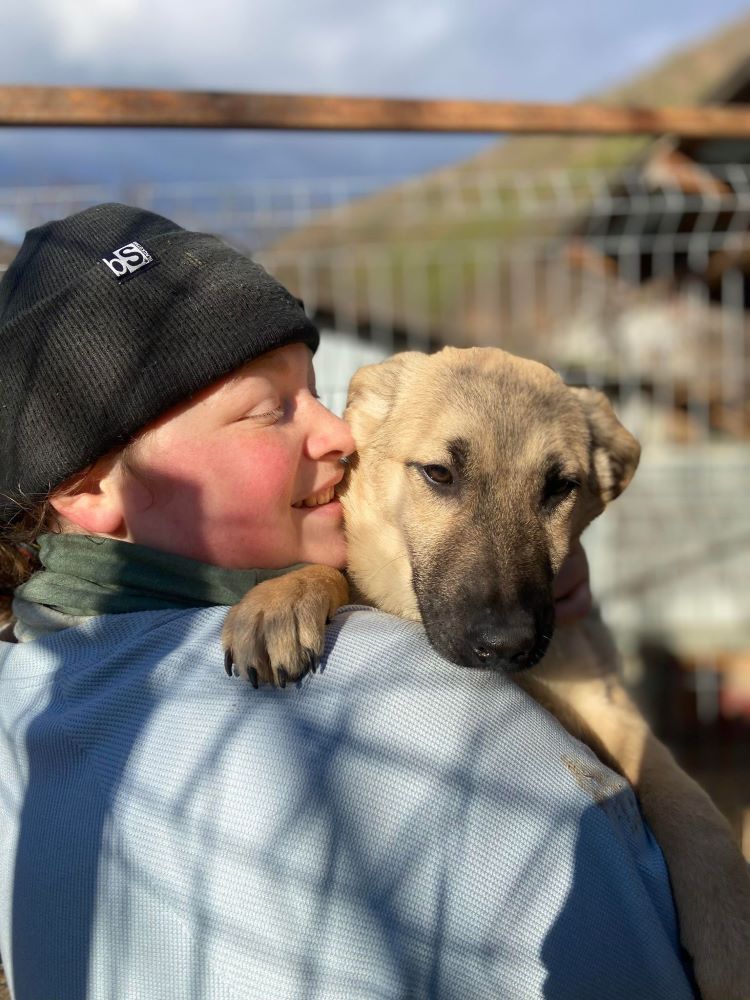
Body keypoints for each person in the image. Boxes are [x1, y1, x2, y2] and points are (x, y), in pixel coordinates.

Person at [0, 204, 696, 1000]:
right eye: (270, 409)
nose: (340, 431)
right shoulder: (431, 709)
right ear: (89, 488)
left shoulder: (22, 701)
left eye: (316, 392)